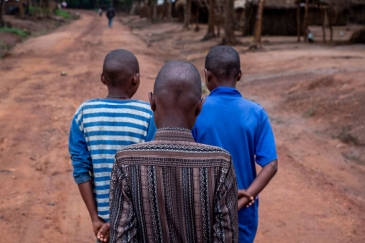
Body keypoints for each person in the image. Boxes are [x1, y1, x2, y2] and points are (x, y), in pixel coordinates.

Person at [106, 60, 238, 243]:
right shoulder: (221, 163)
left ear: (152, 102)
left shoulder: (125, 161)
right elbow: (227, 238)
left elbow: (121, 238)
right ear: (199, 107)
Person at [68, 49, 156, 243]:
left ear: (102, 78)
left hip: (104, 226)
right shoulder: (148, 114)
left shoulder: (84, 113)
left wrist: (95, 218)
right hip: (140, 223)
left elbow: (81, 169)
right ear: (136, 79)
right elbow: (151, 170)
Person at [192, 46, 278, 243]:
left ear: (207, 76)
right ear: (239, 75)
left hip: (203, 208)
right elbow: (271, 165)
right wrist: (246, 197)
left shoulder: (196, 111)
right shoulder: (256, 113)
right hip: (243, 214)